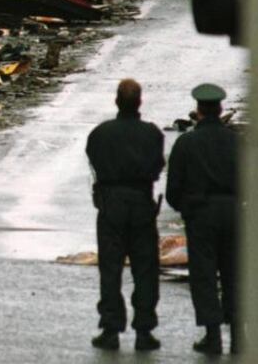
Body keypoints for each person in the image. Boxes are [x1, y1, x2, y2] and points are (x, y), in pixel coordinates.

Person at [85, 79, 165, 351]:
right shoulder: (152, 134)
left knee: (110, 269)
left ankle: (110, 328)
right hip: (141, 203)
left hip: (111, 205)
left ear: (116, 101)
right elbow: (157, 167)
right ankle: (144, 330)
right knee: (145, 269)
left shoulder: (100, 134)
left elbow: (93, 160)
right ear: (139, 102)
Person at [166, 83, 239, 355]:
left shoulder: (187, 143)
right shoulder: (237, 142)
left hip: (201, 214)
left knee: (205, 274)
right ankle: (238, 335)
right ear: (220, 110)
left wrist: (187, 208)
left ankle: (212, 335)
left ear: (198, 110)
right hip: (233, 212)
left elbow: (173, 188)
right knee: (234, 273)